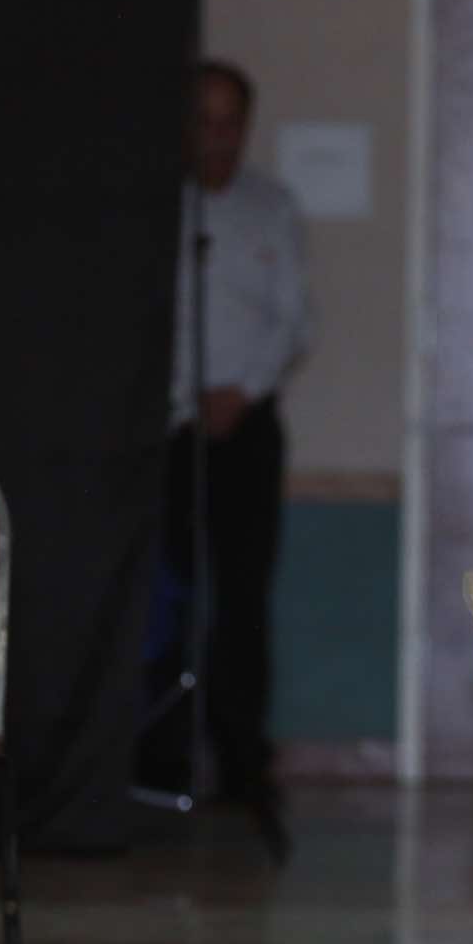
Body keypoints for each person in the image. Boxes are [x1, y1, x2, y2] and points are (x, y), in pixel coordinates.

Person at [161, 59, 310, 842]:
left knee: (243, 598)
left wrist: (239, 391)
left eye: (230, 121)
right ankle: (162, 755)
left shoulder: (271, 208)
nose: (217, 137)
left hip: (246, 426)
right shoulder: (164, 208)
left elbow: (294, 321)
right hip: (170, 430)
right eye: (204, 120)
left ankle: (243, 759)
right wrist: (189, 399)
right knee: (170, 593)